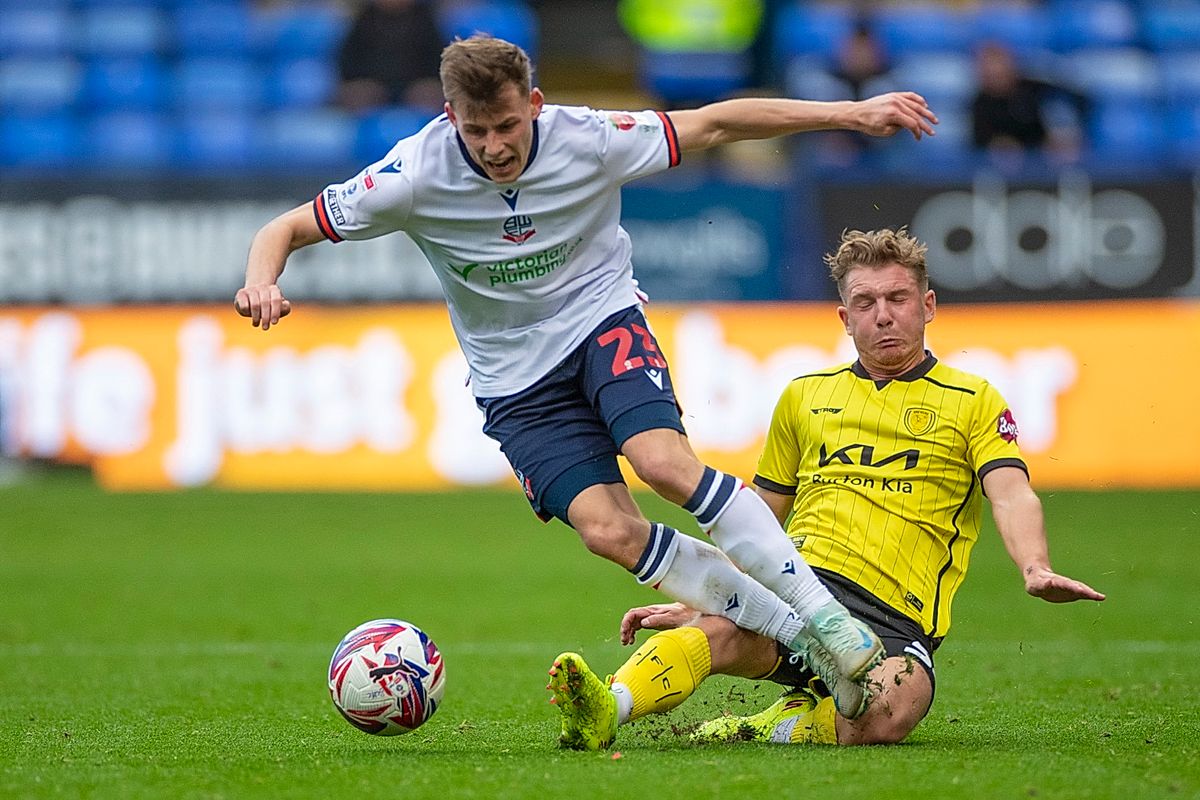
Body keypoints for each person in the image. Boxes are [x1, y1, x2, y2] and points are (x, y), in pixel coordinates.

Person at [235, 36, 939, 733]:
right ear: (451, 119)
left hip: (601, 321)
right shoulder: (410, 175)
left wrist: (849, 113)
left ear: (535, 106)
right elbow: (287, 226)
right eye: (477, 131)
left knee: (664, 465)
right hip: (515, 380)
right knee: (607, 531)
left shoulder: (591, 138)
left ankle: (829, 622)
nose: (496, 146)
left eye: (509, 125)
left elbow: (717, 123)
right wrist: (260, 282)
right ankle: (797, 634)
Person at [547, 227, 1105, 749]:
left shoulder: (974, 400)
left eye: (898, 299)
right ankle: (607, 708)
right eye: (866, 304)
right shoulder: (804, 397)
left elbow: (1010, 491)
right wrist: (706, 590)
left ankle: (776, 724)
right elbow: (756, 517)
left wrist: (1034, 565)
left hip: (894, 617)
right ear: (844, 317)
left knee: (893, 708)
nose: (883, 316)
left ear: (928, 306)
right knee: (716, 631)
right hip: (798, 590)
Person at [970, 42, 1088, 164]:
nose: (994, 73)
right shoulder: (980, 105)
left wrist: (1063, 133)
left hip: (1049, 159)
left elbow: (1078, 101)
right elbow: (982, 142)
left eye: (998, 66)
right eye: (988, 70)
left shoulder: (1038, 90)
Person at [336, 0, 446, 114]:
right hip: (373, 85)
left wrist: (430, 82)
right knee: (358, 95)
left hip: (415, 85)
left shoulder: (425, 18)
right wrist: (360, 82)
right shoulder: (364, 19)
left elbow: (439, 58)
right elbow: (349, 59)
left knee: (430, 94)